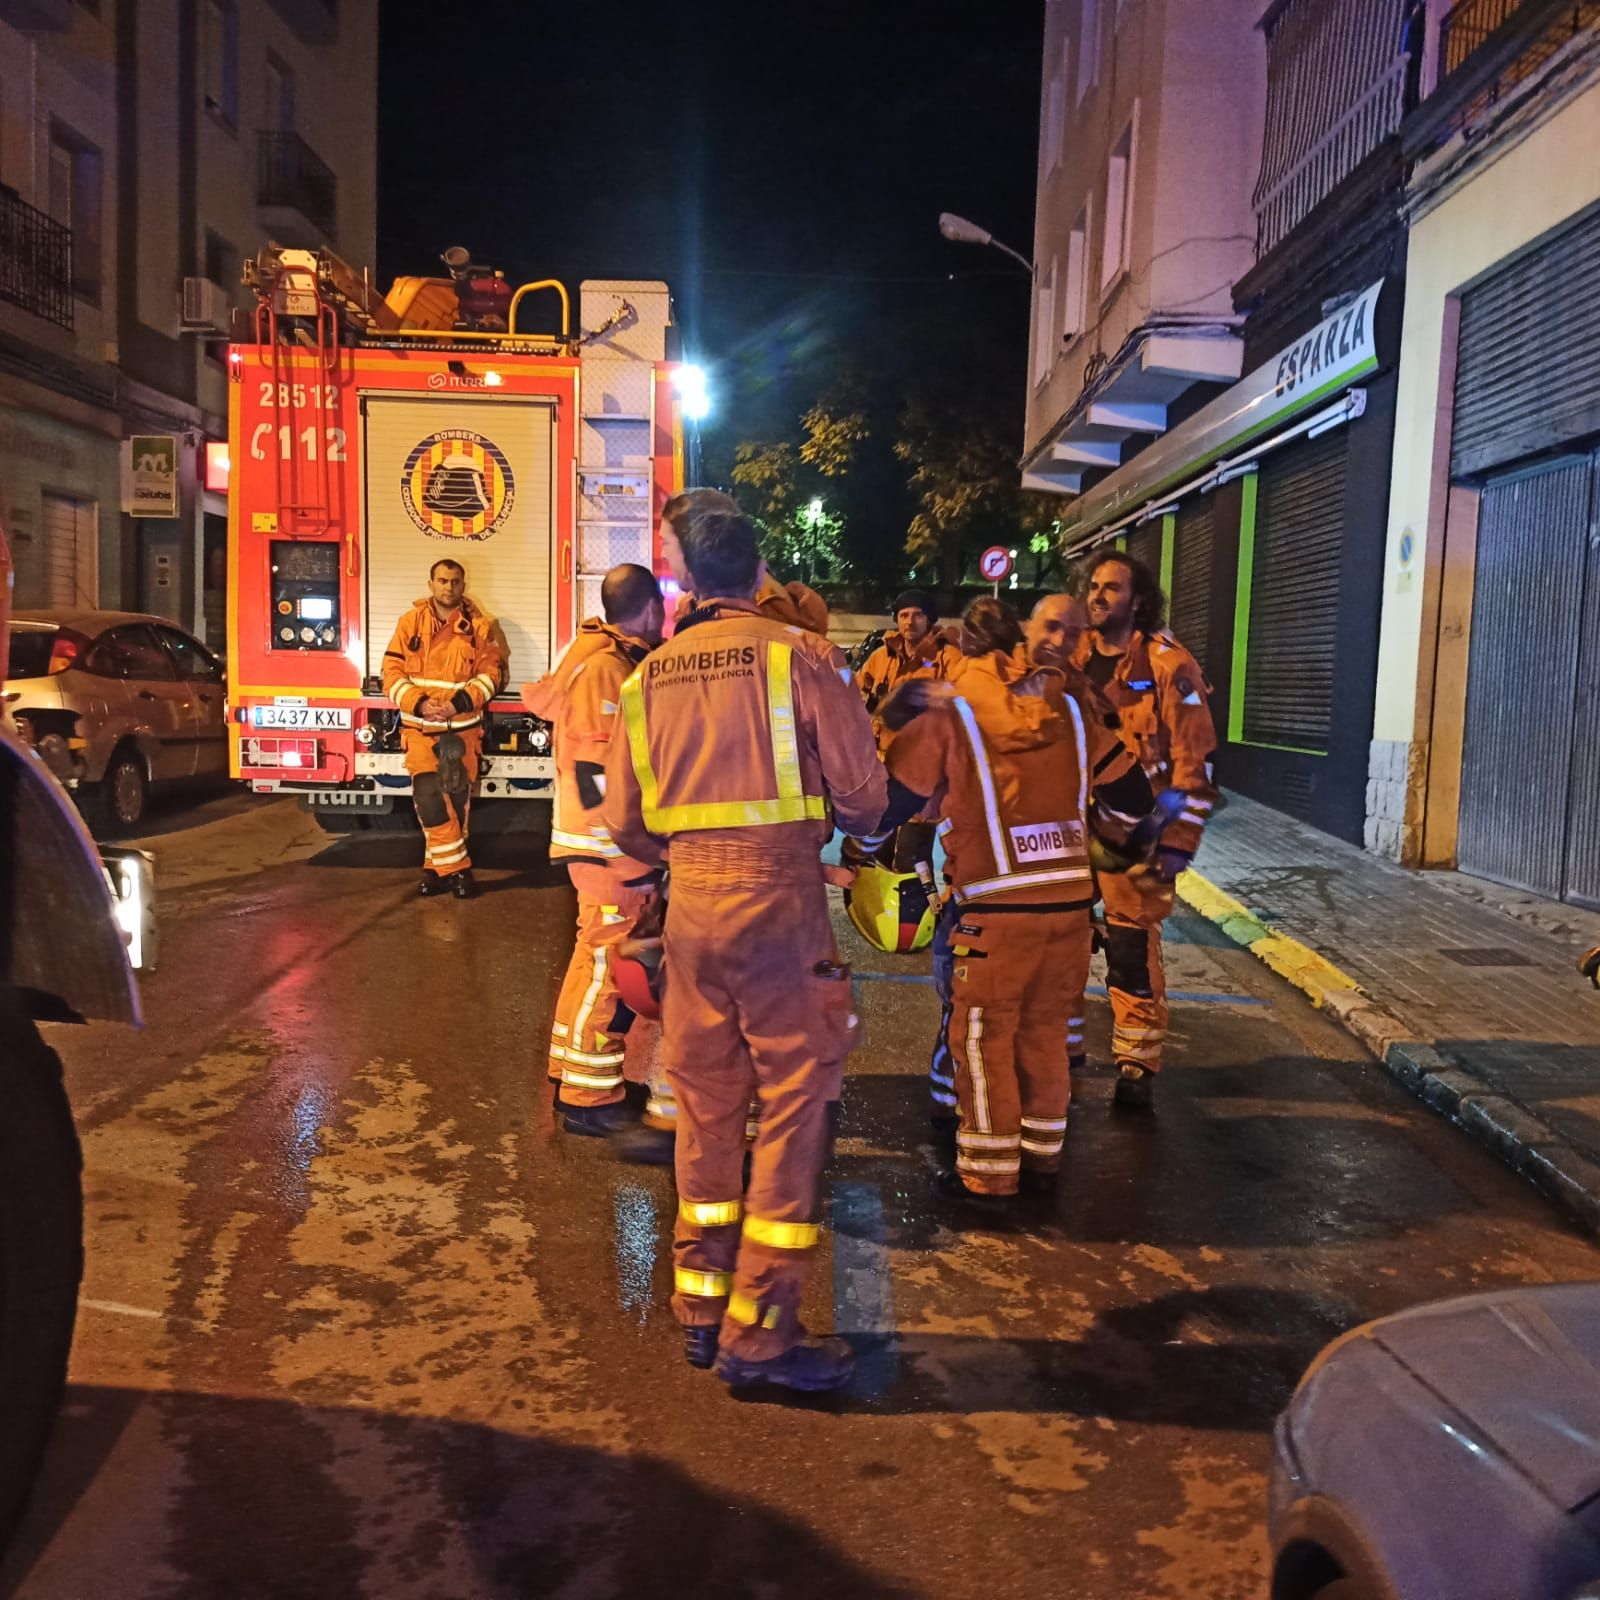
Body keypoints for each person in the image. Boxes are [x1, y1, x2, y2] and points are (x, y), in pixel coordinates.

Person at [604, 507, 886, 1393]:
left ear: (684, 576)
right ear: (759, 565)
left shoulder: (646, 679)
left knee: (707, 1113)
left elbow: (624, 824)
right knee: (795, 1116)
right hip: (780, 911)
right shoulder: (800, 654)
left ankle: (698, 1305)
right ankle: (761, 1333)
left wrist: (685, 857)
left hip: (691, 915)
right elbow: (865, 795)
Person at [858, 600, 1157, 1208]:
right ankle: (1043, 1156)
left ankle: (990, 1175)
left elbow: (888, 807)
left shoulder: (953, 711)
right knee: (1046, 1033)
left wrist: (864, 841)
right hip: (1069, 911)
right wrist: (1088, 834)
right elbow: (1134, 800)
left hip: (994, 910)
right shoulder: (1071, 709)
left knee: (984, 1038)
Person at [523, 564, 675, 1155]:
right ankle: (588, 1100)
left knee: (594, 959)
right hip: (607, 848)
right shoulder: (608, 672)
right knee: (612, 964)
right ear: (647, 610)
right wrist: (632, 855)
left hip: (598, 844)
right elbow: (595, 774)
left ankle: (575, 1072)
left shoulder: (597, 659)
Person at [1070, 551, 1218, 1107]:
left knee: (1129, 947)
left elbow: (1194, 765)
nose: (1098, 596)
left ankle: (1135, 1061)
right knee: (1063, 936)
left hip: (1136, 833)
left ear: (1138, 599)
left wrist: (1178, 842)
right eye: (1094, 586)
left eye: (1112, 587)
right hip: (1071, 827)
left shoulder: (1168, 666)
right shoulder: (1074, 656)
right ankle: (1063, 1047)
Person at [911, 598, 1031, 1135]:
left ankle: (951, 1099)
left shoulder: (956, 703)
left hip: (975, 885)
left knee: (963, 1004)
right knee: (1021, 1014)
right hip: (1037, 885)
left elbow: (919, 796)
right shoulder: (1048, 701)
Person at [381, 558, 504, 898]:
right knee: (429, 796)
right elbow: (390, 673)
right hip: (419, 729)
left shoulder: (479, 628)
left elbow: (491, 676)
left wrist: (457, 704)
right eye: (442, 580)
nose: (448, 587)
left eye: (455, 581)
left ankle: (435, 869)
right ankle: (460, 869)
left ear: (463, 585)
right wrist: (420, 704)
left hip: (461, 731)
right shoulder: (409, 623)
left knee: (456, 802)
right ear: (431, 584)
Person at [857, 589, 959, 872]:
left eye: (917, 615)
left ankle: (915, 915)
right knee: (875, 863)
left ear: (930, 619)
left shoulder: (947, 658)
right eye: (903, 615)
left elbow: (961, 706)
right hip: (880, 775)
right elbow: (855, 699)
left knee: (911, 863)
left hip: (920, 780)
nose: (910, 621)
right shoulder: (880, 658)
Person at [660, 488, 830, 637]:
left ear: (696, 539)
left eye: (666, 542)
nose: (663, 554)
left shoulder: (765, 604)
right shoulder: (698, 602)